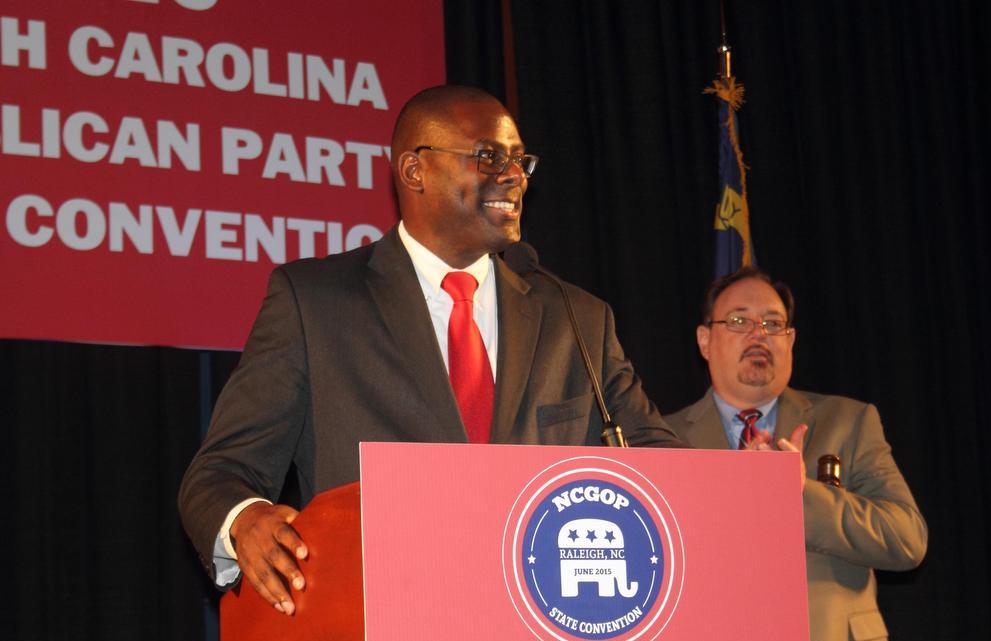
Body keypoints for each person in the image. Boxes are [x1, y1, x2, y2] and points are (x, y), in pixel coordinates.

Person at [179, 85, 681, 616]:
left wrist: (750, 482)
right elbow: (218, 474)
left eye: (519, 160)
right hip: (384, 610)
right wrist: (245, 520)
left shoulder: (576, 317)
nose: (514, 176)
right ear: (415, 171)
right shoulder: (315, 303)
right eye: (488, 156)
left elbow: (665, 472)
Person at [665, 267, 927, 641]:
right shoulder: (665, 440)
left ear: (791, 340)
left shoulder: (849, 422)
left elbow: (907, 541)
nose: (759, 334)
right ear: (705, 340)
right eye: (740, 320)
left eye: (773, 324)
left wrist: (800, 494)